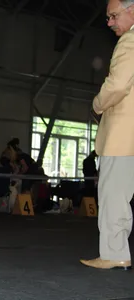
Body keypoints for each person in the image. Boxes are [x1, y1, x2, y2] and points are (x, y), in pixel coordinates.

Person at [80, 0, 134, 270]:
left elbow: (118, 84)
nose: (110, 22)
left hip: (123, 136)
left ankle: (114, 254)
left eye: (113, 16)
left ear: (131, 9)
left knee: (114, 196)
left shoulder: (129, 41)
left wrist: (97, 104)